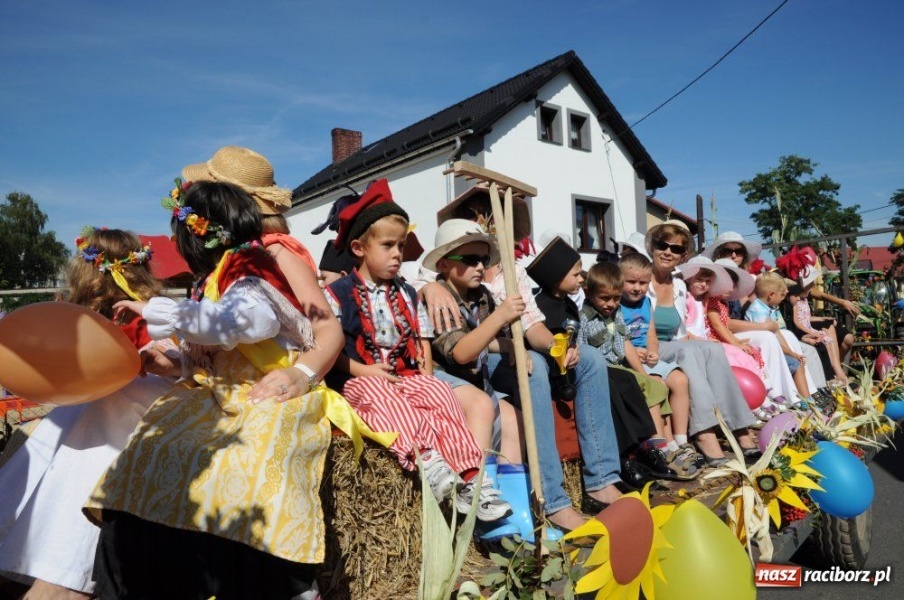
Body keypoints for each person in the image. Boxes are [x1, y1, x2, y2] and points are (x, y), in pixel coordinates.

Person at [86, 181, 337, 599]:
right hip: (219, 392)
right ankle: (153, 575)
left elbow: (235, 324)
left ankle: (283, 584)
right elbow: (216, 346)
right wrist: (178, 363)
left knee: (246, 463)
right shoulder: (216, 276)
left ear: (193, 235)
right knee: (149, 450)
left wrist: (154, 310)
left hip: (265, 389)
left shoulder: (252, 268)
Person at [0, 229, 177, 599]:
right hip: (133, 411)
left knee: (60, 487)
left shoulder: (78, 318)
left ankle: (49, 572)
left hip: (93, 410)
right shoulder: (155, 313)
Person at [323, 180, 511, 522]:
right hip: (359, 375)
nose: (398, 253)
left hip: (404, 373)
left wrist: (424, 369)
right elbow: (328, 347)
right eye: (388, 245)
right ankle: (426, 458)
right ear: (359, 247)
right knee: (380, 395)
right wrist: (364, 370)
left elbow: (421, 334)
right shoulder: (339, 293)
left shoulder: (407, 291)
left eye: (401, 245)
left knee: (440, 393)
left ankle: (471, 476)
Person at [178, 145, 344, 401]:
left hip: (273, 390)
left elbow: (328, 328)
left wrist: (302, 373)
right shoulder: (225, 260)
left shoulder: (275, 250)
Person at [425, 219, 530, 539]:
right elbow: (461, 353)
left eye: (483, 260)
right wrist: (501, 317)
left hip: (476, 383)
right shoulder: (440, 298)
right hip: (448, 383)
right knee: (484, 405)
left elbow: (484, 337)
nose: (480, 266)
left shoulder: (482, 295)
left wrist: (510, 342)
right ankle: (482, 510)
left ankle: (516, 510)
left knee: (513, 418)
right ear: (444, 264)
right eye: (469, 259)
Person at [645, 221, 759, 466]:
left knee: (713, 348)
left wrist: (701, 342)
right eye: (662, 245)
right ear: (652, 247)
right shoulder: (641, 281)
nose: (667, 252)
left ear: (682, 256)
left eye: (675, 249)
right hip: (648, 347)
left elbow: (682, 331)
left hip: (674, 343)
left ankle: (740, 426)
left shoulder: (677, 285)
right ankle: (704, 431)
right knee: (689, 352)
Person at [580, 261, 699, 480]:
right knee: (649, 387)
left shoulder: (615, 314)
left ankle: (669, 443)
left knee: (655, 384)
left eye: (615, 299)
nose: (610, 304)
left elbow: (624, 343)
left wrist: (643, 373)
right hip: (602, 369)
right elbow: (582, 351)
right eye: (605, 298)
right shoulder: (584, 318)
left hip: (618, 365)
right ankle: (656, 447)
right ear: (589, 293)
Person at [618, 252, 701, 471]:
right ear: (620, 280)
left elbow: (651, 335)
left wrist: (653, 350)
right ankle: (664, 445)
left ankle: (681, 439)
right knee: (659, 385)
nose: (637, 288)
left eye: (643, 283)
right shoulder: (616, 305)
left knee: (681, 380)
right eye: (631, 282)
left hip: (647, 356)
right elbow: (619, 340)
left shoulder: (646, 303)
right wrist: (636, 351)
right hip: (629, 359)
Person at [744, 271, 816, 400]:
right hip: (764, 354)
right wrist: (790, 354)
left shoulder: (767, 308)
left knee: (797, 362)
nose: (783, 298)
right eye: (782, 295)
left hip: (775, 350)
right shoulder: (758, 311)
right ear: (771, 295)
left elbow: (777, 334)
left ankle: (804, 397)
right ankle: (806, 400)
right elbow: (770, 339)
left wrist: (792, 353)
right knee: (796, 365)